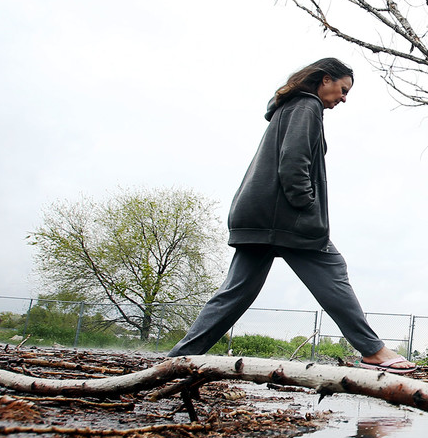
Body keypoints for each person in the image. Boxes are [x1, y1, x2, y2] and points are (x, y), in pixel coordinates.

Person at [168, 57, 414, 371]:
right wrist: (308, 208)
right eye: (342, 89)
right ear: (325, 79)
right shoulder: (307, 107)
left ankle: (178, 360)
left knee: (235, 292)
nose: (343, 98)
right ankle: (373, 351)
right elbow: (293, 163)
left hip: (258, 216)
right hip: (284, 219)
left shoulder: (289, 107)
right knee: (333, 269)